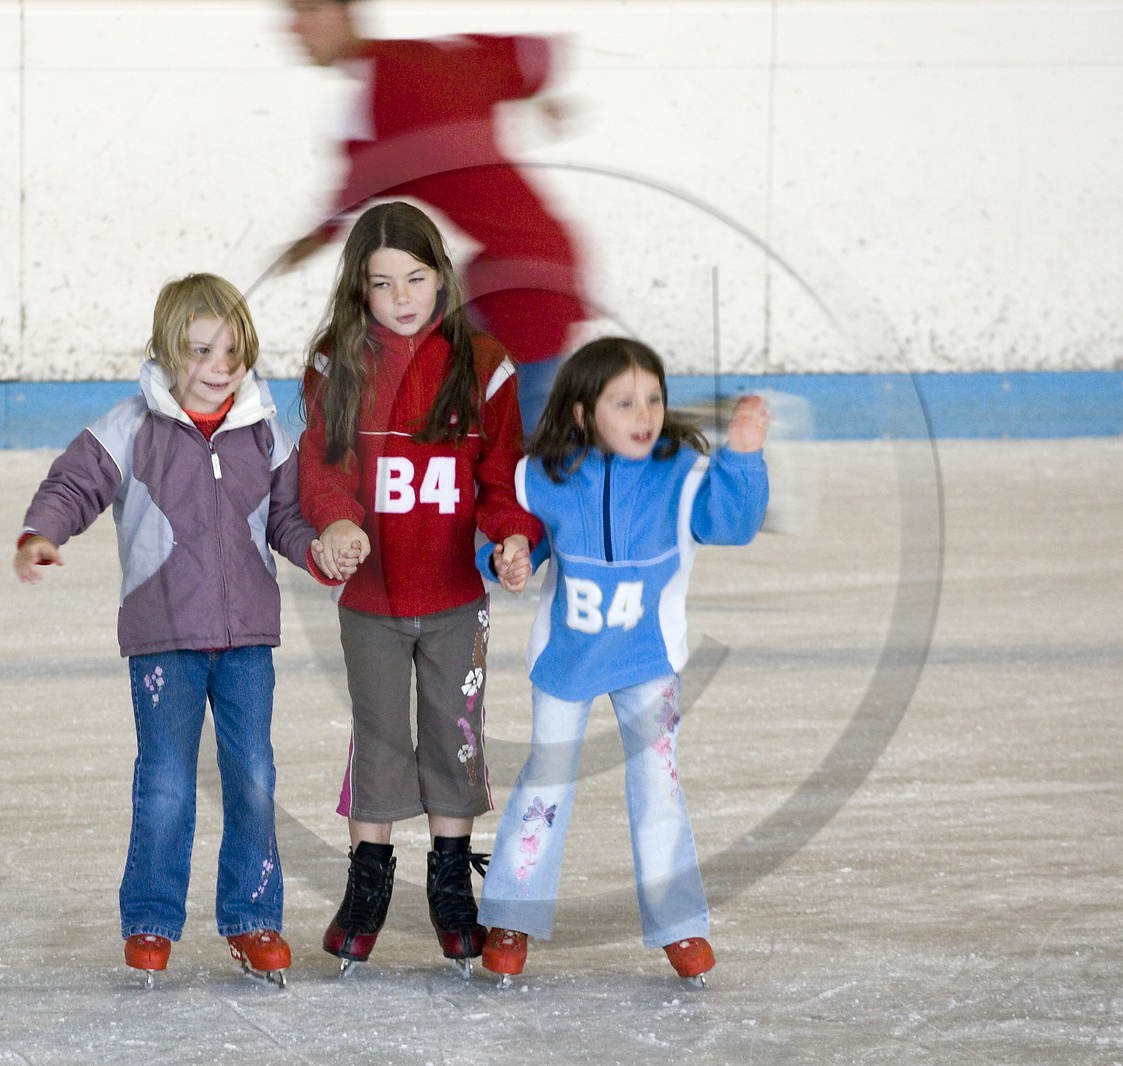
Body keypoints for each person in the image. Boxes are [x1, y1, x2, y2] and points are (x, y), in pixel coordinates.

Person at [13, 273, 344, 986]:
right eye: (200, 351)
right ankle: (151, 920)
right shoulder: (130, 428)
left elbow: (286, 519)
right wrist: (43, 531)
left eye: (232, 352)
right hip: (164, 637)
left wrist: (316, 551)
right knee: (165, 782)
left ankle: (252, 916)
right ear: (166, 349)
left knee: (254, 777)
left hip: (247, 639)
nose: (218, 367)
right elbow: (74, 484)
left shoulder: (264, 430)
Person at [474, 336, 771, 984]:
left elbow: (732, 522)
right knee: (546, 782)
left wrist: (743, 456)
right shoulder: (544, 475)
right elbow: (509, 535)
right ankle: (512, 915)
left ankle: (679, 922)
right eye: (625, 402)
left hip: (647, 660)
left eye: (654, 399)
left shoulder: (681, 474)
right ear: (583, 414)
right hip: (567, 660)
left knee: (659, 785)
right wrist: (507, 558)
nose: (645, 415)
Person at [298, 200, 543, 974]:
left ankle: (449, 879)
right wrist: (339, 522)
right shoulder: (337, 361)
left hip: (454, 601)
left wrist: (512, 537)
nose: (400, 297)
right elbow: (324, 466)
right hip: (369, 601)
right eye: (381, 284)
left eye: (415, 278)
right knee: (377, 735)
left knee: (453, 732)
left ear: (441, 275)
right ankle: (368, 879)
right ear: (359, 289)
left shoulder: (484, 364)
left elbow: (502, 478)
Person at [279, 0, 588, 432]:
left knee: (512, 432)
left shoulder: (373, 113)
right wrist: (537, 100)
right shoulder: (433, 57)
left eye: (309, 10)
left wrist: (295, 249)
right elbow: (534, 55)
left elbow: (340, 210)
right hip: (526, 267)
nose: (293, 27)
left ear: (346, 11)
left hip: (524, 287)